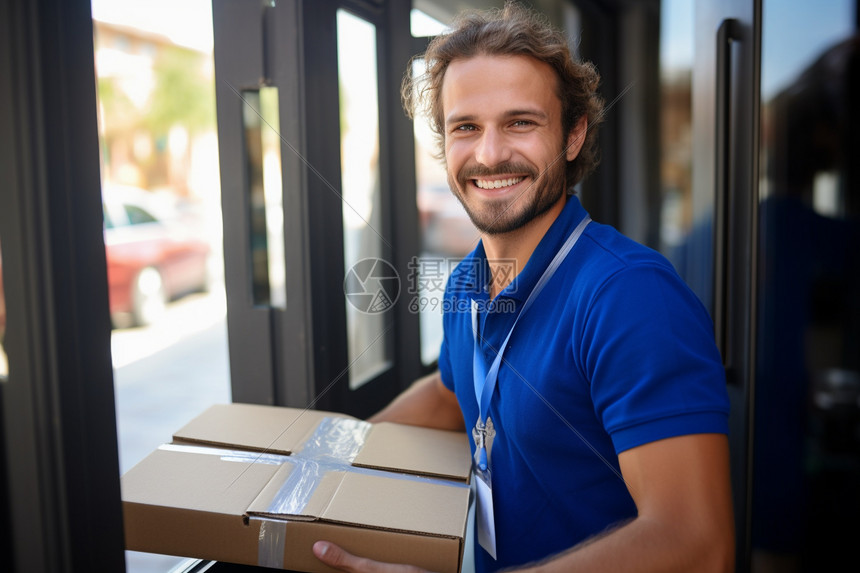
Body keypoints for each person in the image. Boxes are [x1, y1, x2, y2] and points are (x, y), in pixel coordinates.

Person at [314, 3, 735, 572]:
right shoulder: (467, 280)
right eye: (466, 127)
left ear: (572, 135)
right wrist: (327, 457)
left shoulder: (631, 297)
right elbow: (449, 391)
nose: (489, 154)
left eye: (520, 122)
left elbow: (697, 542)